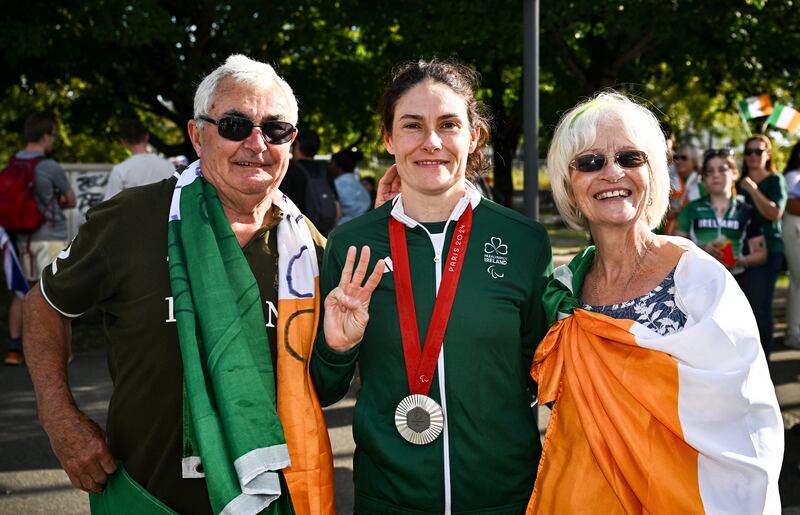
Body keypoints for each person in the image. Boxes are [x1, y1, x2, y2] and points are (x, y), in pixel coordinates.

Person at [23, 55, 335, 515]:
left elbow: (325, 380)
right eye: (234, 124)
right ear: (196, 134)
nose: (257, 143)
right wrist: (58, 416)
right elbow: (45, 305)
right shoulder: (130, 219)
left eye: (276, 129)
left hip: (277, 497)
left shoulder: (309, 247)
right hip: (147, 495)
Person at [310, 59, 553, 514]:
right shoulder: (352, 244)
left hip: (504, 498)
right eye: (412, 126)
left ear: (473, 135)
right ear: (388, 138)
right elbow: (322, 391)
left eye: (448, 125)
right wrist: (337, 347)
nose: (432, 142)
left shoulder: (524, 241)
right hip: (389, 500)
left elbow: (542, 376)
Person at [526, 91, 782, 514]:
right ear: (568, 184)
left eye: (630, 158)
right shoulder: (563, 291)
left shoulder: (697, 279)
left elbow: (747, 419)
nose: (612, 172)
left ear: (654, 173)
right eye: (590, 162)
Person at [4, 112, 76, 366]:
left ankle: (15, 349)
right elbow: (71, 200)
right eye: (54, 135)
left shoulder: (12, 165)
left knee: (23, 293)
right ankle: (60, 353)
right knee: (54, 294)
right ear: (46, 136)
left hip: (21, 241)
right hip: (49, 237)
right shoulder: (49, 166)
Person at [675, 149, 766, 282]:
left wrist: (740, 261)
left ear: (734, 173)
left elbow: (761, 254)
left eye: (722, 170)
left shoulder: (746, 210)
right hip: (699, 279)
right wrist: (701, 249)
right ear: (703, 178)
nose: (716, 175)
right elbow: (677, 249)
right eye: (709, 171)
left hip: (736, 280)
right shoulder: (690, 208)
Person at [738, 134, 787, 357]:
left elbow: (774, 213)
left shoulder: (775, 180)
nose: (753, 156)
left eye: (758, 151)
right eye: (749, 152)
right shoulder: (736, 182)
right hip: (738, 252)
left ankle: (763, 362)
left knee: (759, 308)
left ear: (768, 154)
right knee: (739, 309)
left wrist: (752, 190)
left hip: (768, 251)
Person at [282, 129, 341, 235]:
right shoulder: (324, 169)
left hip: (298, 229)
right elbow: (336, 205)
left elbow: (283, 200)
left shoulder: (290, 168)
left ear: (298, 145)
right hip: (323, 230)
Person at [103, 118, 176, 200]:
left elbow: (110, 205)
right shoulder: (168, 166)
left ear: (123, 141)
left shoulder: (120, 171)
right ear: (147, 136)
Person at [782, 142, 800, 349]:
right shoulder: (792, 177)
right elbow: (793, 206)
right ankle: (793, 332)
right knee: (797, 283)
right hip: (794, 231)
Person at [329, 147, 371, 225]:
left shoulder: (336, 185)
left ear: (337, 167)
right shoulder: (360, 187)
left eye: (331, 164)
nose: (329, 167)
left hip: (342, 228)